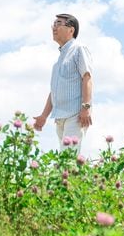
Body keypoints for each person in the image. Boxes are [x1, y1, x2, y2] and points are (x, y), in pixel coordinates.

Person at [33, 14, 93, 151]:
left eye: (58, 24)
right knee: (64, 160)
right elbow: (54, 91)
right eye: (53, 24)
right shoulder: (58, 61)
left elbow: (87, 77)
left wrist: (86, 107)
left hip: (76, 115)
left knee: (69, 159)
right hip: (60, 118)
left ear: (71, 30)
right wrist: (43, 116)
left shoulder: (79, 49)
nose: (54, 27)